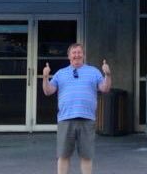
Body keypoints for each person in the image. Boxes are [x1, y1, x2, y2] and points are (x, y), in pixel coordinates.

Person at [42, 43, 112, 174]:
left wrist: (107, 74)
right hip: (65, 119)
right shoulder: (60, 73)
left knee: (86, 155)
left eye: (79, 52)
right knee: (63, 155)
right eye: (73, 53)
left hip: (87, 119)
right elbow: (48, 91)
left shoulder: (93, 71)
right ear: (69, 56)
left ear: (84, 55)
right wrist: (45, 77)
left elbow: (105, 88)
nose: (77, 55)